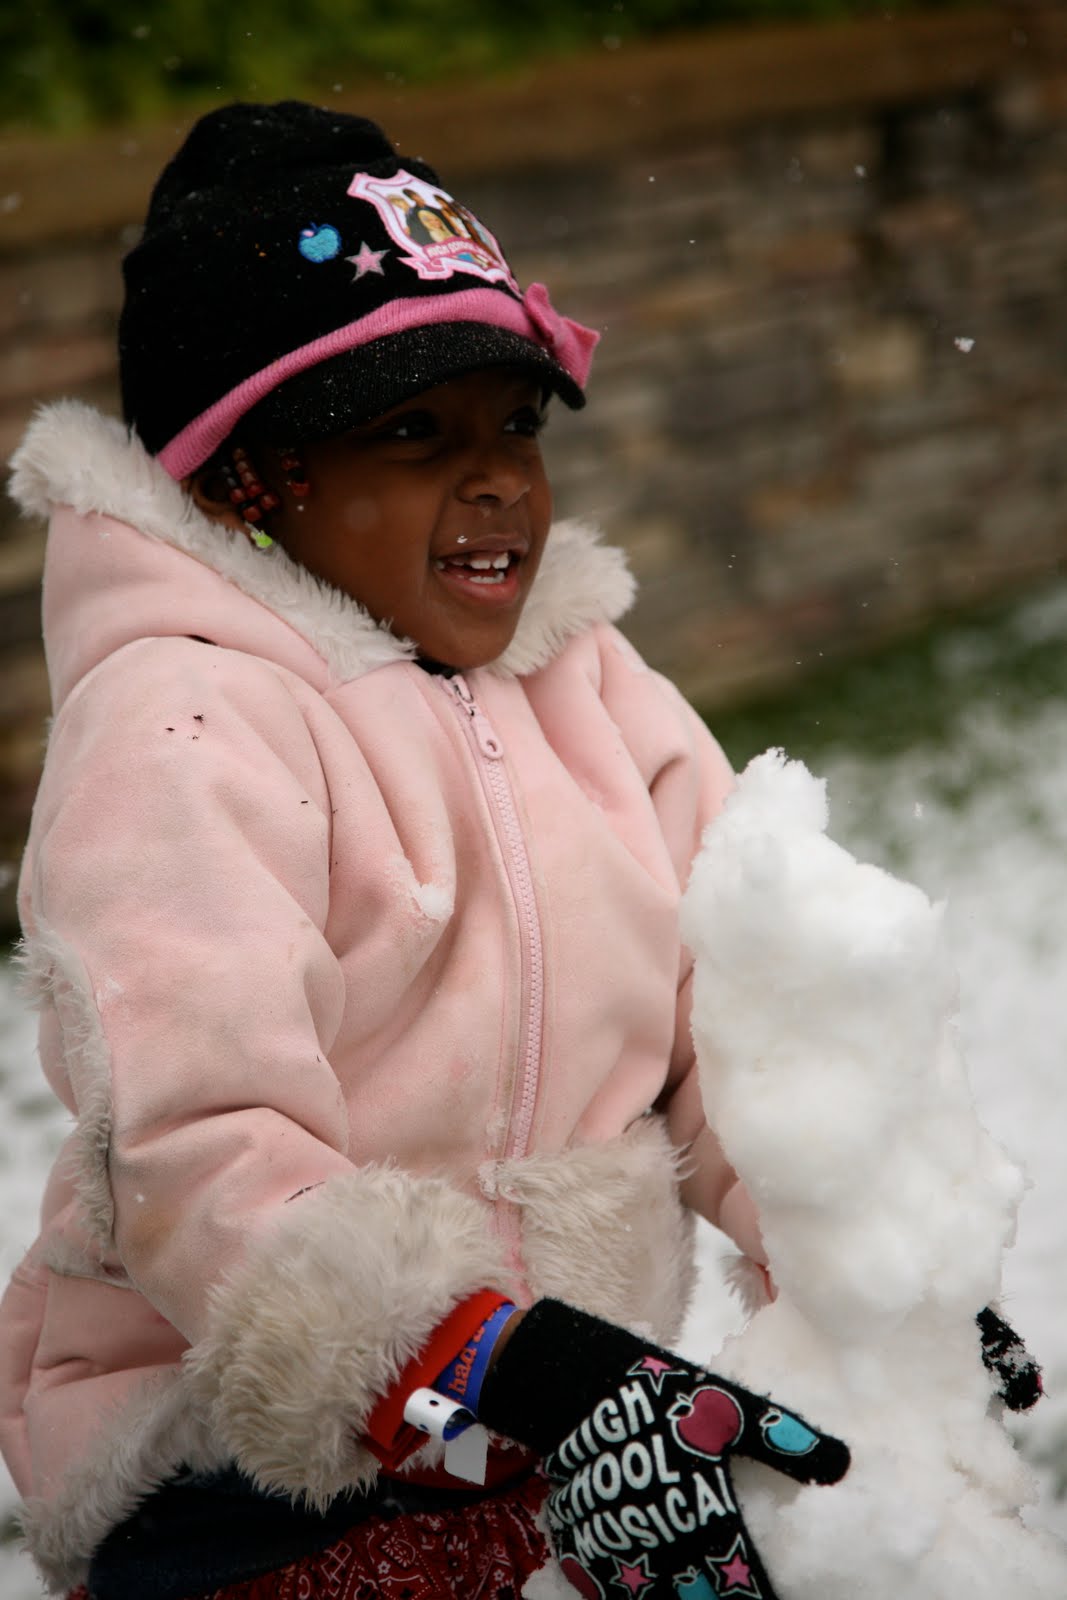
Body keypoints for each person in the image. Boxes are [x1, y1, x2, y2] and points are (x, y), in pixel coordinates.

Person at [0, 102, 854, 1600]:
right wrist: (481, 1357)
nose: (500, 478)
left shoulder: (592, 687)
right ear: (244, 478)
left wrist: (858, 1252)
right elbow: (201, 1139)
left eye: (516, 423)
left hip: (570, 1411)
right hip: (247, 1457)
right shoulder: (183, 725)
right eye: (412, 431)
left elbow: (727, 1023)